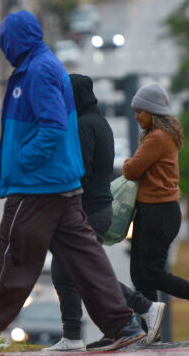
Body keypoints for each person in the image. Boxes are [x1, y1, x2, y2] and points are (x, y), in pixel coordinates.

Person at [0, 10, 145, 352]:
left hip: (43, 185)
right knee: (84, 259)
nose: (3, 49)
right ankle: (122, 325)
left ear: (16, 39)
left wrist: (25, 158)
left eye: (5, 41)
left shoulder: (39, 70)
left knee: (18, 257)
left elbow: (52, 127)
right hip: (53, 184)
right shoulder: (34, 67)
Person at [44, 74, 165, 351]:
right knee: (66, 272)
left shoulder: (84, 125)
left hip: (87, 210)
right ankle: (73, 335)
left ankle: (143, 307)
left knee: (88, 272)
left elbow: (80, 172)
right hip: (97, 209)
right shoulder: (99, 121)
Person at [122, 82, 189, 335]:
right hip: (153, 211)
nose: (136, 116)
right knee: (139, 275)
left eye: (139, 111)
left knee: (153, 274)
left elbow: (131, 170)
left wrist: (127, 162)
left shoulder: (157, 138)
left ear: (152, 112)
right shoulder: (158, 135)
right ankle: (151, 328)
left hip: (159, 212)